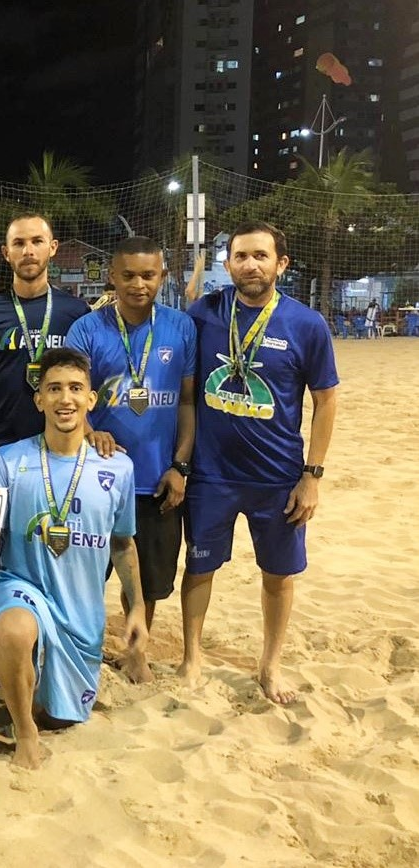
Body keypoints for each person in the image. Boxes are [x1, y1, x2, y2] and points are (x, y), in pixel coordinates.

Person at [180, 221, 337, 704]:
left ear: (280, 264)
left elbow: (326, 402)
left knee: (277, 574)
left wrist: (311, 478)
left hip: (278, 477)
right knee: (200, 568)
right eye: (241, 256)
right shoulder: (204, 313)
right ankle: (191, 657)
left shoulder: (306, 325)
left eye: (260, 256)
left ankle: (270, 666)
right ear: (228, 265)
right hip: (211, 474)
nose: (250, 265)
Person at [0, 347, 146, 769]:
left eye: (75, 388)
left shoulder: (118, 468)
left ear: (91, 399)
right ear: (39, 400)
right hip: (21, 585)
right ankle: (24, 736)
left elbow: (123, 545)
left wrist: (138, 607)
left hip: (80, 613)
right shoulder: (8, 461)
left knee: (60, 716)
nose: (64, 398)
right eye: (53, 389)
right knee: (15, 635)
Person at [66, 237, 197, 681]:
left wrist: (180, 465)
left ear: (162, 275)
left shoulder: (180, 327)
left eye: (148, 275)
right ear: (112, 276)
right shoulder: (87, 329)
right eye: (128, 275)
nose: (138, 284)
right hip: (98, 477)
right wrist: (91, 430)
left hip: (157, 478)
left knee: (149, 580)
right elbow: (72, 394)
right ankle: (82, 651)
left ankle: (136, 650)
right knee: (88, 573)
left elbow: (187, 404)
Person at [0, 213, 92, 467]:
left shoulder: (76, 312)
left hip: (62, 452)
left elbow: (84, 383)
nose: (28, 251)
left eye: (37, 241)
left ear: (52, 247)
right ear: (6, 252)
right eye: (19, 243)